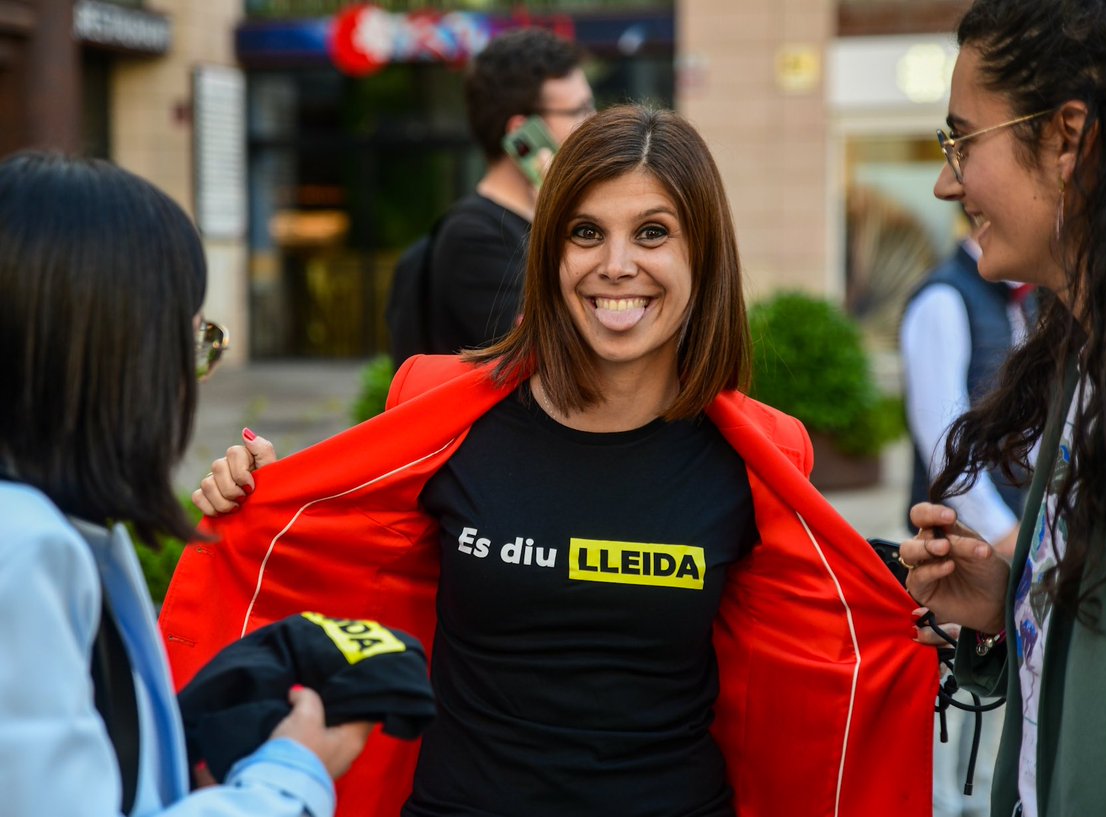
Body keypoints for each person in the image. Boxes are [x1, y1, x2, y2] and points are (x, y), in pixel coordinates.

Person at [171, 105, 937, 817]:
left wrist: (931, 600)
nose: (615, 265)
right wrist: (260, 494)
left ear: (702, 253)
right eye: (584, 233)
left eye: (652, 233)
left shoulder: (764, 452)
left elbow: (817, 639)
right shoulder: (437, 406)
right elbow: (336, 546)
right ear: (550, 253)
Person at [0, 153, 372, 817]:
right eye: (190, 340)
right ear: (118, 355)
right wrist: (292, 772)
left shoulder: (61, 527)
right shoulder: (23, 550)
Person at [899, 0, 1106, 815]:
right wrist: (1016, 600)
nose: (946, 179)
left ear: (1068, 137)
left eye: (963, 139)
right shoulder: (1087, 358)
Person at [902, 220, 1031, 817]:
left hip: (1008, 536)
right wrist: (1000, 529)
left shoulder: (1021, 298)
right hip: (952, 544)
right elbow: (940, 437)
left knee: (996, 698)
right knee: (942, 701)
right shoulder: (941, 298)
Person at [420, 27, 593, 356]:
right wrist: (555, 223)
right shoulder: (473, 237)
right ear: (523, 134)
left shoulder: (539, 220)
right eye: (578, 111)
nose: (593, 121)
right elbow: (548, 354)